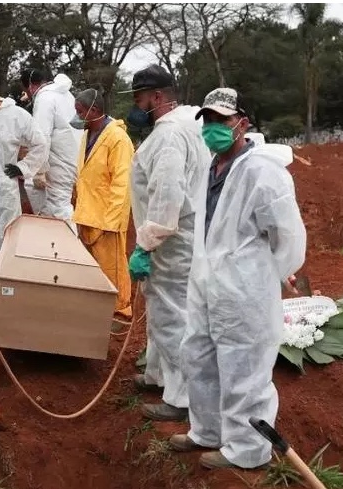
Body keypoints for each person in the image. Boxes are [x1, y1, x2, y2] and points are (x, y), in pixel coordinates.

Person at [167, 87, 306, 471]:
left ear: (241, 123)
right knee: (199, 354)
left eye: (221, 120)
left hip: (245, 287)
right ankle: (207, 430)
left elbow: (287, 236)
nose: (212, 128)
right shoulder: (210, 168)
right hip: (207, 282)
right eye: (207, 121)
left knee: (243, 365)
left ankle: (247, 449)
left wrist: (264, 274)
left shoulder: (262, 172)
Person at [126, 65, 212, 422]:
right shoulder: (187, 126)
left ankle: (182, 397)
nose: (136, 106)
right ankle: (158, 374)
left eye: (140, 98)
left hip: (171, 241)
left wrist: (146, 244)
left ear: (158, 97)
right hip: (181, 236)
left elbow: (167, 194)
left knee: (171, 315)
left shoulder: (170, 136)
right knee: (163, 310)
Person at [71, 88, 134, 330]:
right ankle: (98, 308)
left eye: (80, 112)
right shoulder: (88, 134)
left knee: (113, 267)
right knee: (94, 267)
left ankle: (121, 311)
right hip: (87, 213)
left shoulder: (118, 139)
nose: (77, 116)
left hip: (107, 217)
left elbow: (122, 183)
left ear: (94, 111)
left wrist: (112, 221)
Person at [0, 71, 49, 244]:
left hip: (5, 187)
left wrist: (23, 167)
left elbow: (40, 143)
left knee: (8, 235)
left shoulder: (16, 116)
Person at [20, 68, 79, 222]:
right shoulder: (66, 94)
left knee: (58, 208)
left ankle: (63, 236)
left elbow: (41, 137)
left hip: (60, 163)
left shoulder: (44, 98)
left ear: (31, 86)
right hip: (74, 158)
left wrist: (39, 171)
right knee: (59, 204)